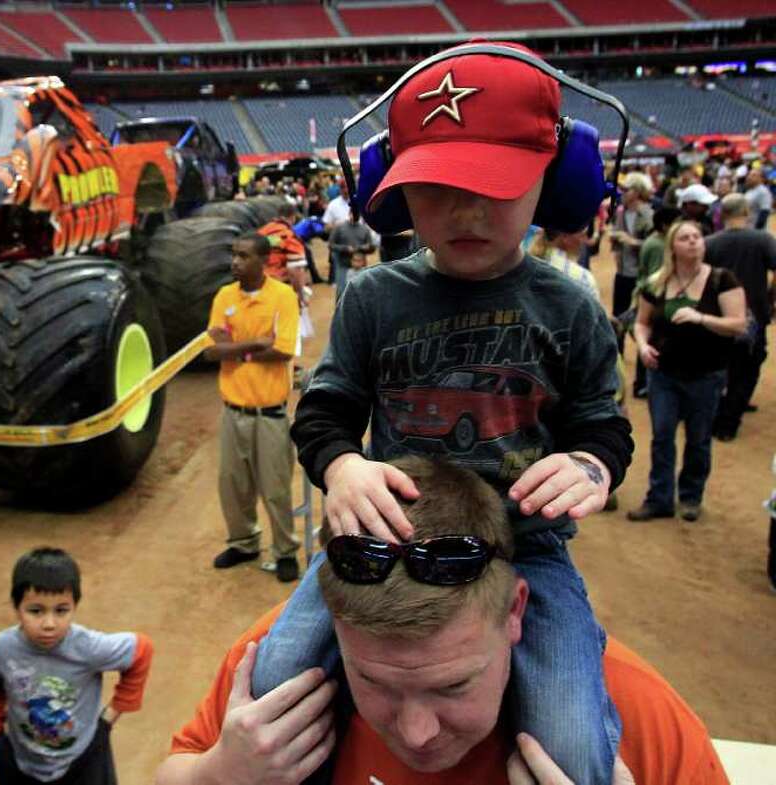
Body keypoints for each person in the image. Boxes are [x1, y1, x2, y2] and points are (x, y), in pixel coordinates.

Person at [263, 43, 634, 785]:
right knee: (275, 678)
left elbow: (603, 422)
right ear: (389, 186)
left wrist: (589, 464)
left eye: (492, 186)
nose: (464, 212)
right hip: (388, 541)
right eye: (433, 188)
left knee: (571, 744)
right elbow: (325, 411)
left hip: (524, 548)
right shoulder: (372, 298)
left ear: (555, 179)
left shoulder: (569, 305)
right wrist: (342, 466)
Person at [156, 457, 729, 785]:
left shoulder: (633, 715)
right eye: (374, 683)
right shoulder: (273, 676)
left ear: (515, 610)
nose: (416, 732)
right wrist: (215, 776)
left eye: (453, 684)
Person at [0, 547, 153, 785]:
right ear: (16, 606)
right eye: (36, 611)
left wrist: (108, 720)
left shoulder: (88, 647)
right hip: (21, 764)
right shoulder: (3, 647)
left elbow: (142, 650)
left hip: (83, 761)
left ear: (75, 606)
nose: (49, 623)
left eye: (61, 610)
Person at [629, 220, 747, 522]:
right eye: (685, 237)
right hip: (663, 373)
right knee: (662, 436)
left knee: (698, 439)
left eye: (697, 236)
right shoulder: (657, 282)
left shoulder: (722, 279)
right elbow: (641, 322)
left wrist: (701, 318)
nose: (694, 241)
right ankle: (660, 498)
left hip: (706, 375)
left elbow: (738, 324)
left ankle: (691, 497)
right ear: (673, 246)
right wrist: (642, 346)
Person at [204, 232, 301, 582]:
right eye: (234, 255)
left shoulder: (283, 297)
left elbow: (284, 350)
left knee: (275, 488)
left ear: (264, 260)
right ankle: (243, 543)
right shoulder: (224, 296)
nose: (235, 262)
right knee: (232, 485)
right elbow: (211, 350)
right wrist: (256, 345)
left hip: (270, 413)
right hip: (233, 411)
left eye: (244, 256)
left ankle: (285, 550)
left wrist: (235, 348)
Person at [705, 193, 776, 440]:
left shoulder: (711, 243)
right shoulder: (762, 240)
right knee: (748, 367)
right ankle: (728, 421)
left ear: (722, 214)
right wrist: (770, 296)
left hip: (719, 317)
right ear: (746, 212)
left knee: (721, 366)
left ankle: (721, 413)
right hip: (753, 314)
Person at [631, 206, 682, 398]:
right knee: (648, 337)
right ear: (665, 225)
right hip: (652, 297)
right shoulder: (658, 245)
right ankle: (642, 383)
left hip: (649, 294)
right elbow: (654, 277)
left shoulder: (657, 241)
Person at [610, 172, 654, 326]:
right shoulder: (621, 212)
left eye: (626, 189)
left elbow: (655, 247)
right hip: (622, 272)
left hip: (641, 275)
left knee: (641, 319)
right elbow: (616, 236)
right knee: (617, 318)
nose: (622, 192)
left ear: (637, 192)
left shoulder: (648, 214)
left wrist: (632, 241)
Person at [258, 200, 312, 306]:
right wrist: (301, 296)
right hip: (280, 288)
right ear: (293, 217)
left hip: (258, 287)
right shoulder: (290, 237)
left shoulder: (261, 232)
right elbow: (295, 270)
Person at [327, 207, 377, 303]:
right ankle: (340, 314)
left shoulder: (364, 229)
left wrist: (364, 248)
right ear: (349, 213)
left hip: (360, 266)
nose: (354, 216)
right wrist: (345, 248)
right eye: (352, 214)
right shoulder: (339, 227)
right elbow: (330, 245)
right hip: (343, 264)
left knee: (362, 291)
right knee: (342, 291)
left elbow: (372, 247)